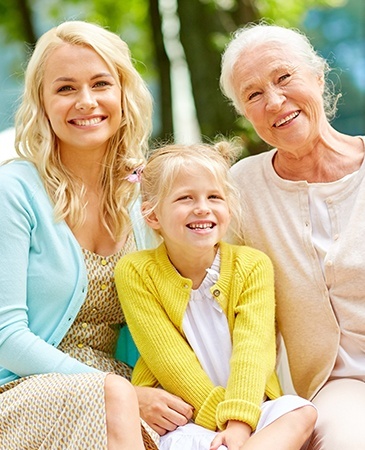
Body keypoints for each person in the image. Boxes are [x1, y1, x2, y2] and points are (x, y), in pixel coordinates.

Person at [0, 20, 193, 449]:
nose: (86, 102)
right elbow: (6, 338)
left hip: (122, 384)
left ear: (123, 94)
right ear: (42, 103)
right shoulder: (14, 190)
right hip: (20, 388)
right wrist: (120, 392)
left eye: (100, 83)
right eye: (65, 88)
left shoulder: (144, 196)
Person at [220, 21, 365, 450]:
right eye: (254, 94)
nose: (275, 101)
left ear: (317, 77)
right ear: (245, 114)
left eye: (284, 77)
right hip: (340, 386)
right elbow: (221, 302)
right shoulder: (242, 188)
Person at [115, 142, 317, 450]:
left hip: (249, 410)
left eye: (214, 197)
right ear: (152, 215)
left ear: (229, 208)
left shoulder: (251, 265)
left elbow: (254, 349)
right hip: (181, 417)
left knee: (301, 412)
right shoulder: (136, 271)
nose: (202, 207)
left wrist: (239, 423)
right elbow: (169, 358)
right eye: (185, 198)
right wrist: (218, 420)